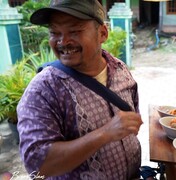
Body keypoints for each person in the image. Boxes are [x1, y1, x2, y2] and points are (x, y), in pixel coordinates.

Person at [17, 0, 143, 179]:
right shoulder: (42, 91)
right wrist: (105, 134)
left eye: (74, 31)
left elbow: (131, 123)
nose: (63, 41)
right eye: (54, 32)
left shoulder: (120, 69)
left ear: (102, 33)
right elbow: (37, 164)